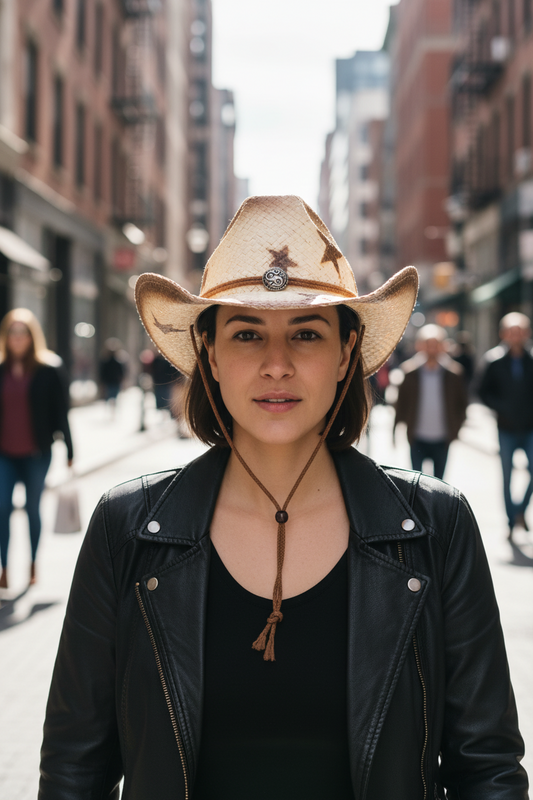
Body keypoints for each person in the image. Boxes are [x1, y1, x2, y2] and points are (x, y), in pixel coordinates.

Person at [39, 196, 527, 800]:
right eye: (246, 333)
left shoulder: (437, 526)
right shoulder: (127, 527)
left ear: (346, 352)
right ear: (209, 354)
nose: (277, 364)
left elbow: (488, 768)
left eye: (306, 333)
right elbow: (73, 768)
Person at [0, 308, 73, 589]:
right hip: (4, 454)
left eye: (23, 333)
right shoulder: (2, 370)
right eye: (12, 333)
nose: (17, 338)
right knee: (3, 507)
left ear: (32, 337)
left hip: (36, 453)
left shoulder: (49, 370)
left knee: (32, 508)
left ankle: (32, 564)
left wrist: (70, 451)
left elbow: (61, 412)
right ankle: (5, 569)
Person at [478, 311, 533, 540]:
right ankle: (512, 521)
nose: (516, 335)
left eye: (520, 331)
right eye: (512, 331)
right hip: (506, 428)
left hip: (530, 427)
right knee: (507, 476)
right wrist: (501, 407)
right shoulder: (494, 361)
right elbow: (482, 391)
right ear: (503, 334)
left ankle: (520, 510)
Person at [394, 324, 468, 480]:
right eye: (428, 344)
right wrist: (395, 430)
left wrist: (456, 429)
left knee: (440, 484)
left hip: (442, 438)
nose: (432, 349)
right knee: (416, 483)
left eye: (436, 344)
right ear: (420, 346)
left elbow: (462, 404)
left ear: (443, 346)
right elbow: (401, 403)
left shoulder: (454, 373)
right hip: (417, 437)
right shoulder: (410, 372)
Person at [99, 338, 127, 409]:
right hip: (113, 382)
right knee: (113, 396)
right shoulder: (112, 362)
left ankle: (111, 408)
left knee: (111, 396)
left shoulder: (108, 362)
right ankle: (112, 408)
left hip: (112, 382)